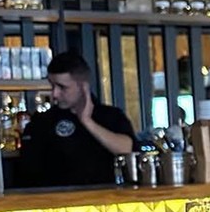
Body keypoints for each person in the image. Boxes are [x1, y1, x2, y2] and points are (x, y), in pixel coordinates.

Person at [18, 51, 136, 187]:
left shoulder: (110, 116)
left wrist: (87, 122)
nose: (55, 94)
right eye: (52, 86)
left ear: (83, 87)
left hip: (104, 197)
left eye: (62, 87)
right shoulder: (42, 121)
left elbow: (126, 149)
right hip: (54, 198)